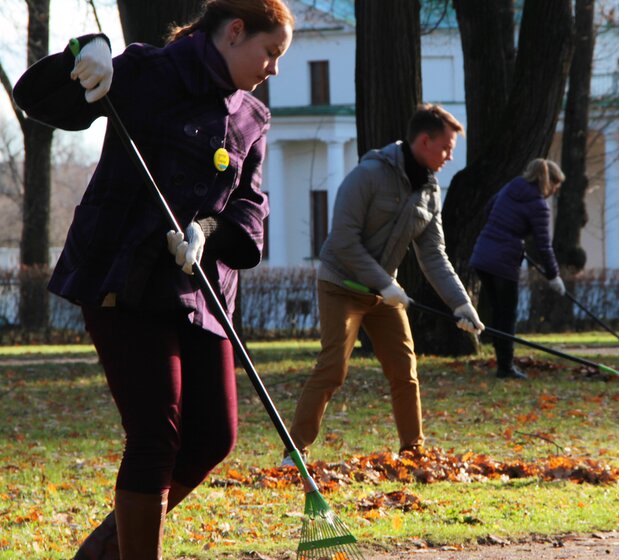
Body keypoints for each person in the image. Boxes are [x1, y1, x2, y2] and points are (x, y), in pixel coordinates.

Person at [13, 1, 293, 558]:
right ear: (236, 32)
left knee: (215, 435)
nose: (274, 69)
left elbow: (250, 210)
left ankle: (103, 552)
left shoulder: (251, 119)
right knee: (156, 436)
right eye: (271, 53)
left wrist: (206, 231)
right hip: (126, 281)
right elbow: (37, 98)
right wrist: (83, 51)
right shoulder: (145, 71)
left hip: (202, 290)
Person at [286, 104, 484, 463]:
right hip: (341, 284)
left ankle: (413, 452)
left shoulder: (429, 191)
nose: (449, 157)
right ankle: (294, 452)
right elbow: (344, 240)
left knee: (405, 369)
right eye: (446, 148)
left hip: (382, 293)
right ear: (424, 141)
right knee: (333, 368)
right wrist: (385, 282)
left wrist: (461, 303)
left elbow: (434, 255)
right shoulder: (369, 175)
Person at [469, 158, 567, 380]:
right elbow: (544, 246)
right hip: (502, 262)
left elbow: (488, 210)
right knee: (507, 315)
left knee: (497, 312)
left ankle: (503, 362)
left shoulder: (510, 187)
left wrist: (507, 234)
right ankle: (506, 367)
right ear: (548, 181)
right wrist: (553, 276)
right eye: (556, 186)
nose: (555, 191)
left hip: (482, 255)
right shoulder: (538, 205)